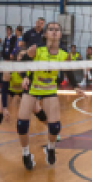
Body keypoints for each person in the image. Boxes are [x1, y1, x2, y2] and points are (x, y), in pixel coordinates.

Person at [18, 22, 71, 169]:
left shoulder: (64, 54)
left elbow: (70, 71)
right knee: (22, 124)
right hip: (32, 89)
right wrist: (24, 77)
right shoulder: (36, 49)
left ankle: (50, 147)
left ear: (60, 34)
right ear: (45, 34)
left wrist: (77, 86)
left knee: (55, 127)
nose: (54, 32)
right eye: (51, 29)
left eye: (57, 29)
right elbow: (22, 64)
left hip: (49, 90)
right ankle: (25, 153)